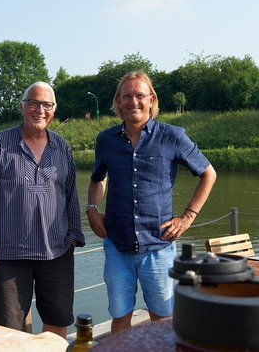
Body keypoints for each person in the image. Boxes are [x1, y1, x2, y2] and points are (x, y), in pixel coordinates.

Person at [87, 71, 217, 334]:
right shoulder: (106, 140)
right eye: (127, 96)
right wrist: (92, 209)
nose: (133, 101)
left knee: (162, 319)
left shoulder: (173, 136)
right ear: (118, 101)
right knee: (120, 317)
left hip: (158, 245)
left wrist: (188, 216)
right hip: (117, 245)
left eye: (139, 95)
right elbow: (98, 179)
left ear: (151, 99)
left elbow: (208, 173)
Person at [0, 81, 86, 338]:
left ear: (53, 110)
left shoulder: (61, 146)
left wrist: (75, 233)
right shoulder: (1, 143)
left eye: (47, 104)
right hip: (9, 253)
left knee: (57, 320)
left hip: (57, 250)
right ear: (23, 107)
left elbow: (70, 193)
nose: (40, 109)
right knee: (10, 329)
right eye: (34, 102)